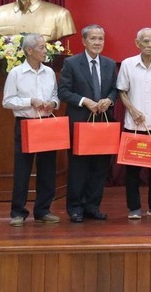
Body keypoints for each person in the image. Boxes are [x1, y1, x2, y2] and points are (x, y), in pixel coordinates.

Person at [58, 24, 118, 223]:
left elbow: (115, 90)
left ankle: (93, 206)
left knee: (100, 169)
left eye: (100, 39)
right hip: (80, 123)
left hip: (103, 123)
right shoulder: (72, 63)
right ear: (84, 41)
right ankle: (75, 208)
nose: (97, 42)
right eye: (93, 39)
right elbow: (63, 92)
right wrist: (85, 101)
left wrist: (109, 99)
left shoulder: (110, 64)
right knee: (78, 169)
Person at [2, 33, 61, 227]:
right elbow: (7, 101)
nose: (46, 51)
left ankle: (43, 210)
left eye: (45, 47)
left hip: (46, 124)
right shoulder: (16, 73)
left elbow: (55, 96)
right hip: (26, 124)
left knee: (47, 170)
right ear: (29, 50)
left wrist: (52, 103)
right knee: (23, 170)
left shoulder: (50, 72)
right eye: (42, 47)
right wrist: (30, 102)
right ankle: (18, 212)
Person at [116, 27, 151, 220]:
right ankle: (134, 207)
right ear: (137, 43)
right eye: (145, 41)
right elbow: (121, 90)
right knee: (132, 170)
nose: (149, 45)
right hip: (134, 125)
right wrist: (132, 109)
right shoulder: (128, 64)